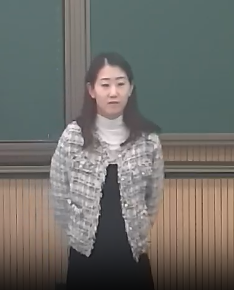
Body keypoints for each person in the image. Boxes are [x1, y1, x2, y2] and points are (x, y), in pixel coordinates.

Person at [49, 52, 164, 289]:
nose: (113, 92)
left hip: (132, 255)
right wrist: (78, 231)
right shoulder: (73, 137)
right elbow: (59, 194)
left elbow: (153, 197)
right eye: (105, 85)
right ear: (91, 90)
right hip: (85, 257)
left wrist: (140, 226)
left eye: (120, 84)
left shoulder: (148, 140)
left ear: (131, 88)